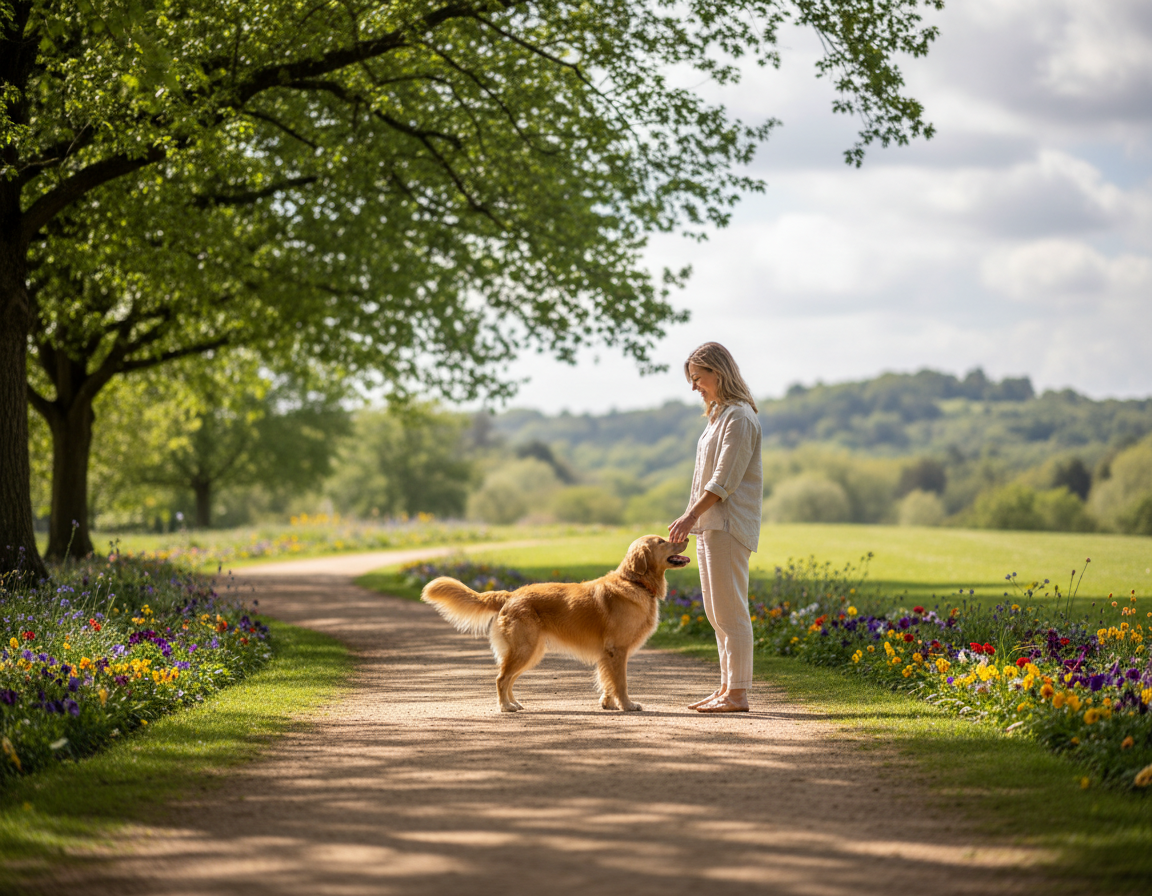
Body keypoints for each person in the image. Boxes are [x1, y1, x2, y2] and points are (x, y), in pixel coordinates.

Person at [668, 342, 762, 713]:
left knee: (730, 611)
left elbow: (724, 482)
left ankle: (738, 694)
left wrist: (690, 515)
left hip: (727, 524)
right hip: (710, 526)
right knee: (716, 612)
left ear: (717, 373)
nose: (695, 387)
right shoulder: (719, 417)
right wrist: (694, 518)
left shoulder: (739, 418)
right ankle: (727, 688)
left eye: (698, 378)